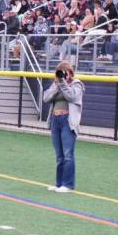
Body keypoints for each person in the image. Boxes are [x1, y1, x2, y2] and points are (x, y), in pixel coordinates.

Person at [42, 61, 85, 193]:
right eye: (60, 73)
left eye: (65, 72)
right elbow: (45, 98)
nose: (62, 75)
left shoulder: (77, 84)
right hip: (55, 120)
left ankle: (68, 185)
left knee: (68, 154)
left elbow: (71, 96)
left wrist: (63, 84)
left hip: (68, 121)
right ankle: (59, 183)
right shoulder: (56, 84)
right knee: (59, 155)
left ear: (70, 73)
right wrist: (57, 85)